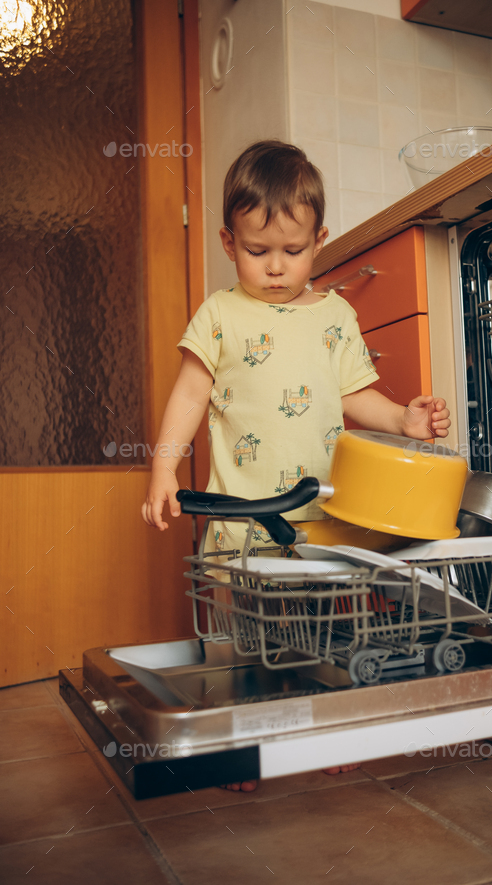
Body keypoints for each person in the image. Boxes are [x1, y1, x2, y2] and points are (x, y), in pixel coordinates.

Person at [142, 140, 451, 791]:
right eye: (259, 252)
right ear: (229, 243)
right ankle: (246, 743)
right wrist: (163, 470)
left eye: (294, 251)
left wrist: (403, 419)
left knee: (327, 630)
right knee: (244, 640)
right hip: (244, 521)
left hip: (321, 521)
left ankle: (325, 730)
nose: (277, 268)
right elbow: (190, 394)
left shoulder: (335, 315)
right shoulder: (220, 315)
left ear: (321, 240)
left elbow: (353, 394)